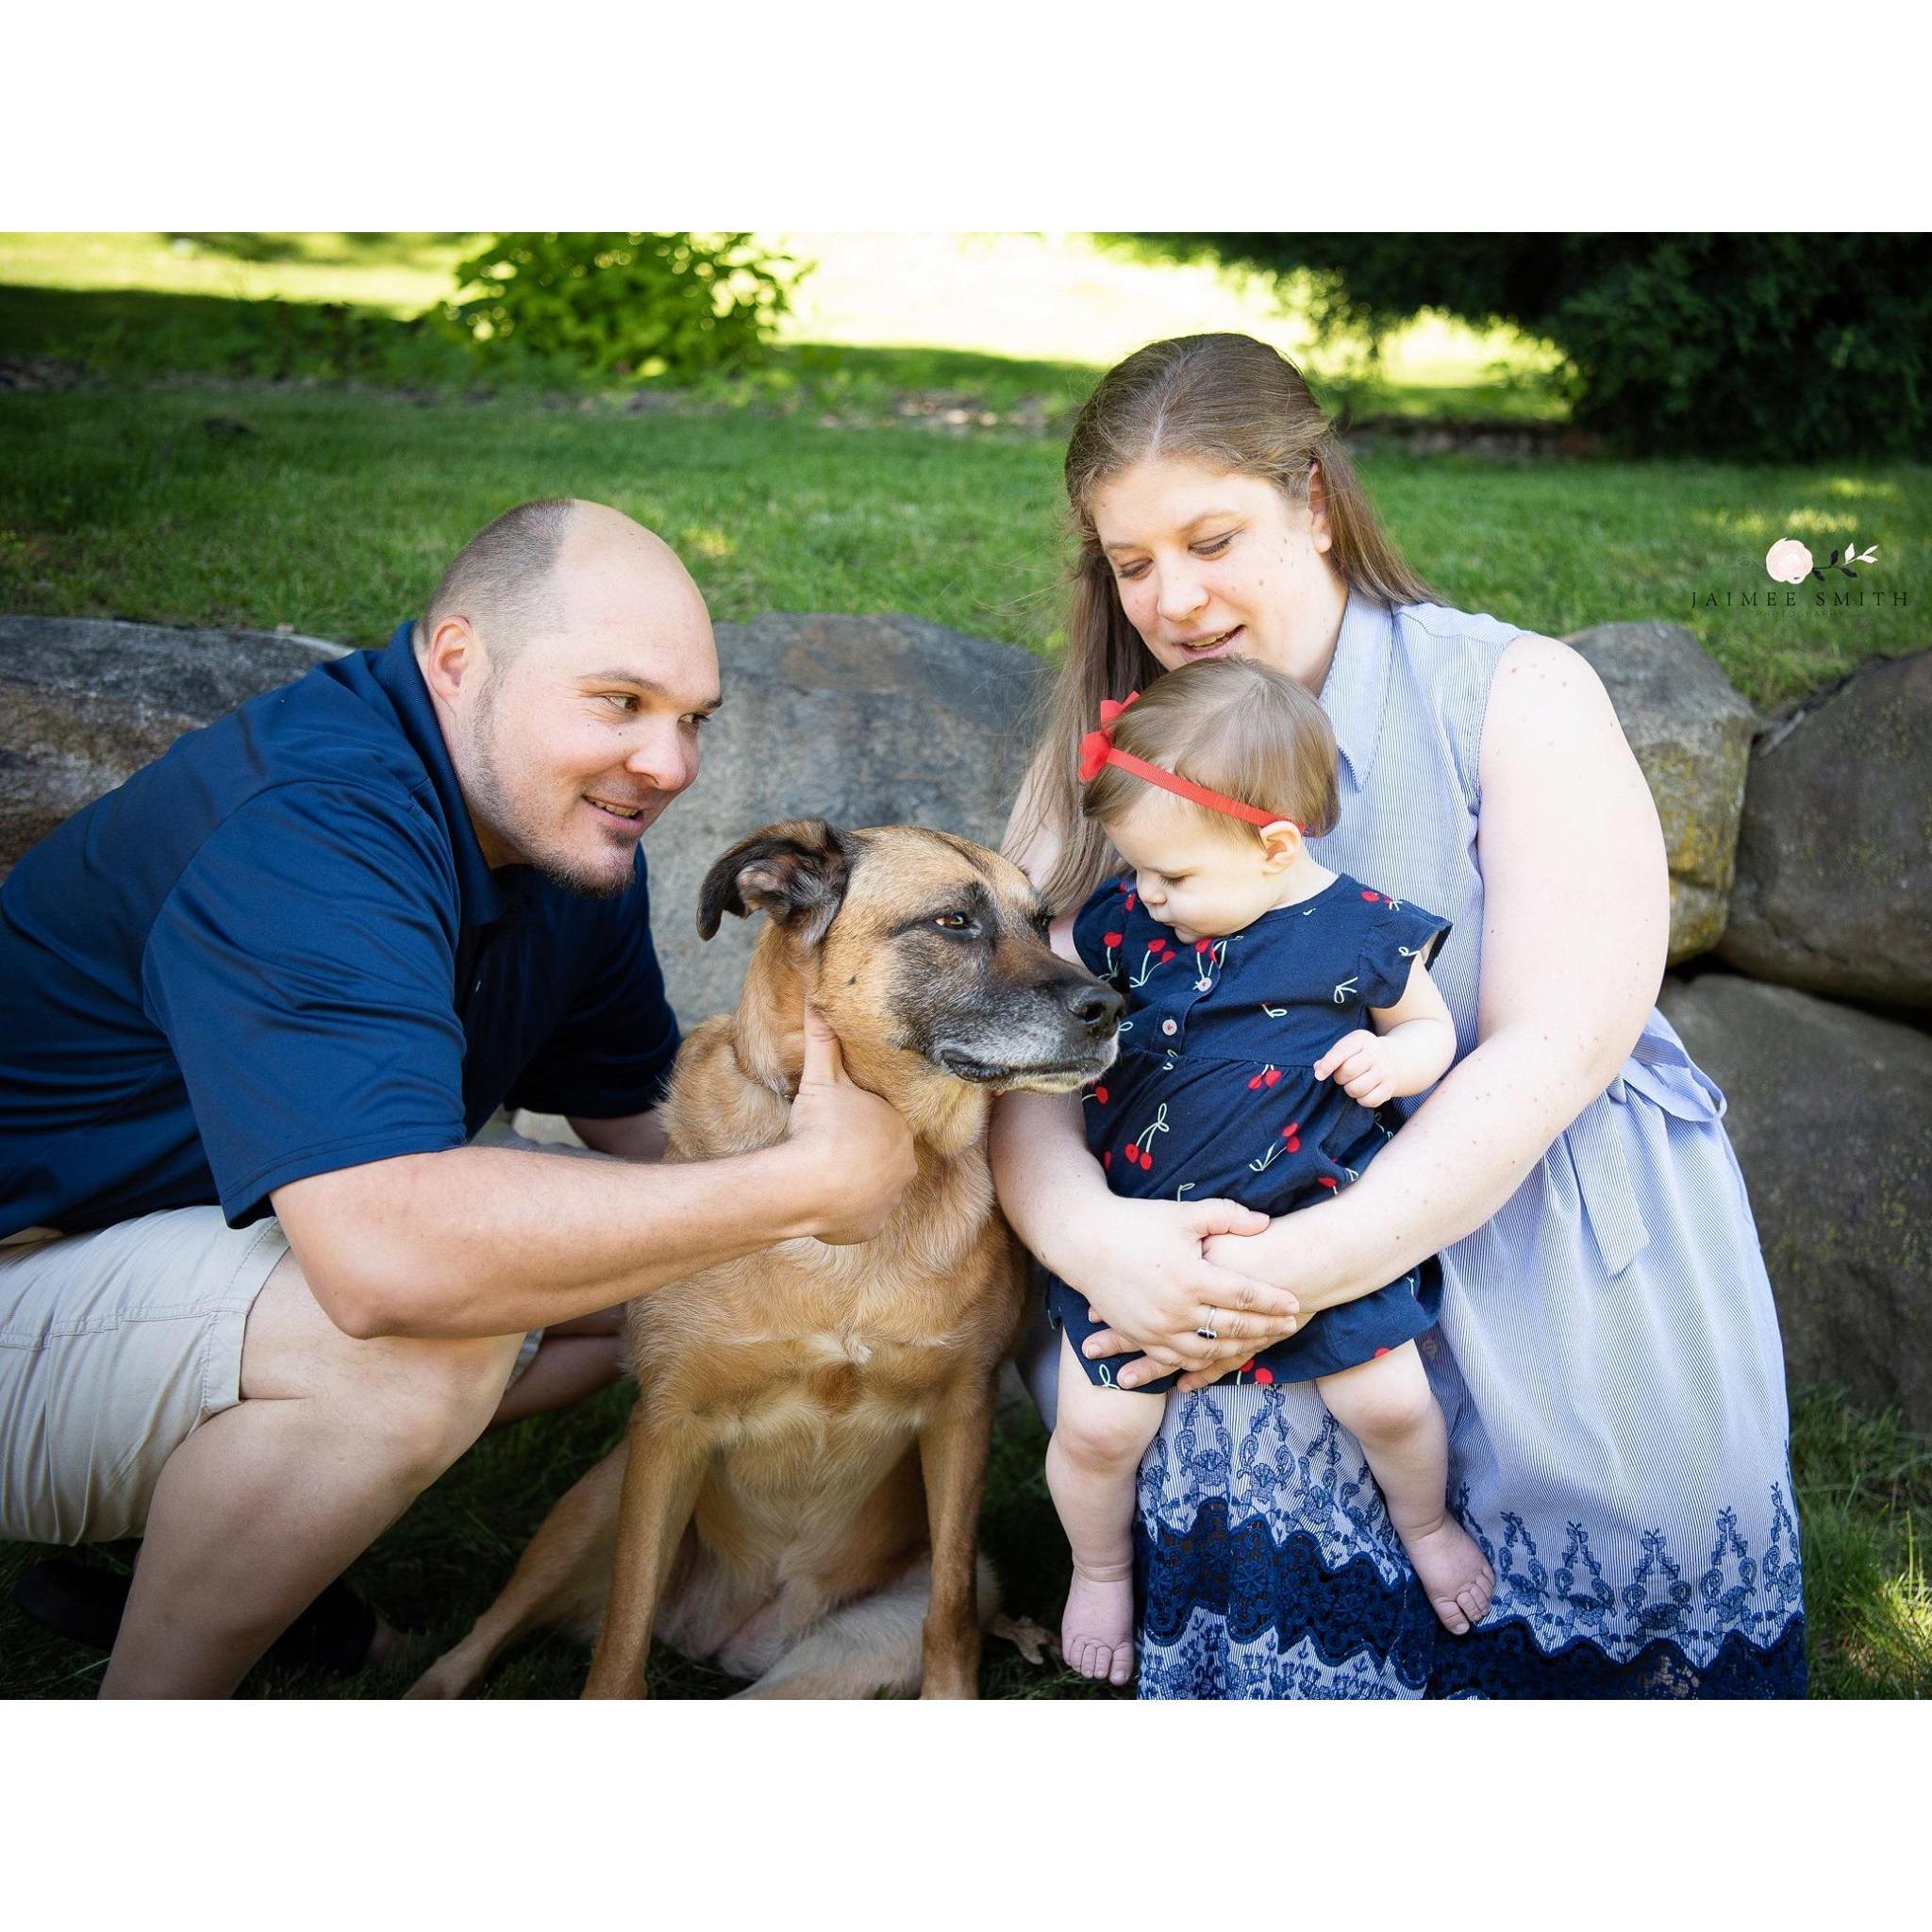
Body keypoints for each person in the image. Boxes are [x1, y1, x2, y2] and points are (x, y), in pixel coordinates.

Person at [994, 335, 1807, 1698]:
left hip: (1511, 1205)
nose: (1174, 600)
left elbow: (1555, 1050)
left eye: (1211, 538)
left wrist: (1297, 1277)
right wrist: (1102, 1248)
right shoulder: (1109, 748)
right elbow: (1027, 1059)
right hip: (1201, 1230)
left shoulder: (1513, 693)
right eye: (1133, 564)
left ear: (1313, 502)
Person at [0, 498, 918, 1698]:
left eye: (692, 718)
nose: (672, 764)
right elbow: (387, 1260)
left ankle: (220, 1549)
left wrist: (896, 1196)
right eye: (619, 701)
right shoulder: (317, 824)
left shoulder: (560, 837)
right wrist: (798, 1182)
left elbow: (649, 1137)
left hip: (156, 1255)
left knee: (673, 1282)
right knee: (419, 1344)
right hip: (33, 1262)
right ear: (455, 658)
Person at [1043, 658, 1493, 1687]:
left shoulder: (1364, 929)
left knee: (1385, 1400)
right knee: (1100, 1423)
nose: (1148, 896)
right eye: (1138, 872)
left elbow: (1430, 1027)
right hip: (1139, 1230)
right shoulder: (1127, 921)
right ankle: (1100, 1566)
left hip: (1308, 1216)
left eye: (1173, 876)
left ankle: (1422, 1526)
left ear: (1275, 845)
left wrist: (1399, 1059)